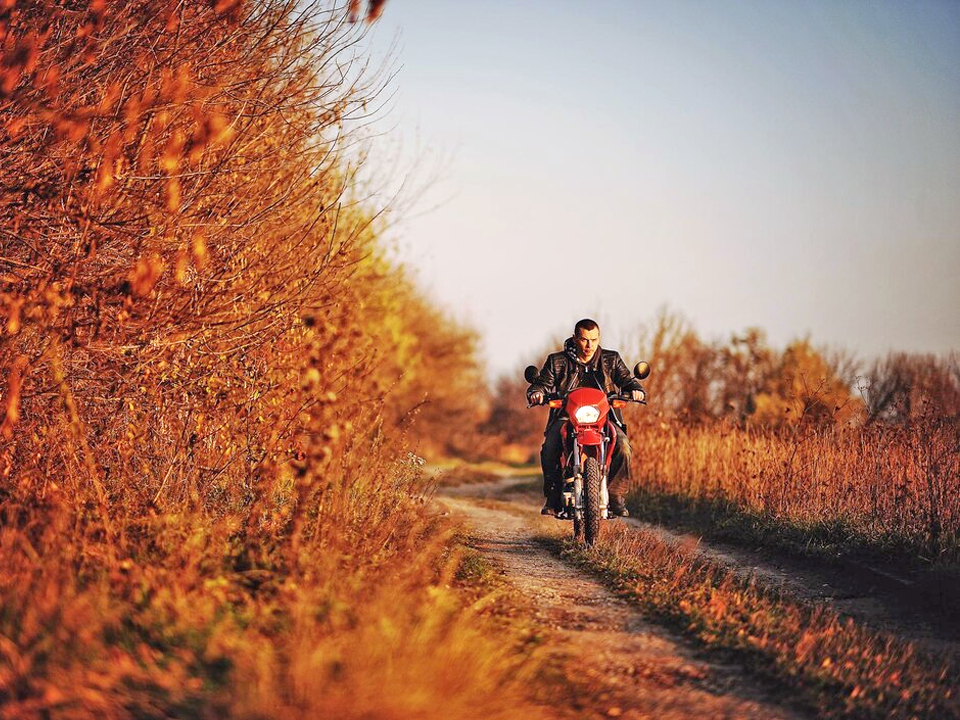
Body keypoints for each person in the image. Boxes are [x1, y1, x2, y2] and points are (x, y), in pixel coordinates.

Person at [526, 318, 644, 517]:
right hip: (567, 417)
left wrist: (636, 390)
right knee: (549, 447)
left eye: (594, 339)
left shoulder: (611, 359)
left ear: (599, 339)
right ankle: (553, 497)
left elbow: (628, 380)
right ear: (575, 338)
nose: (589, 345)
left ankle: (615, 496)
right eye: (584, 339)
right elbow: (542, 384)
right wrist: (536, 392)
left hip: (604, 418)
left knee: (623, 445)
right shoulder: (557, 361)